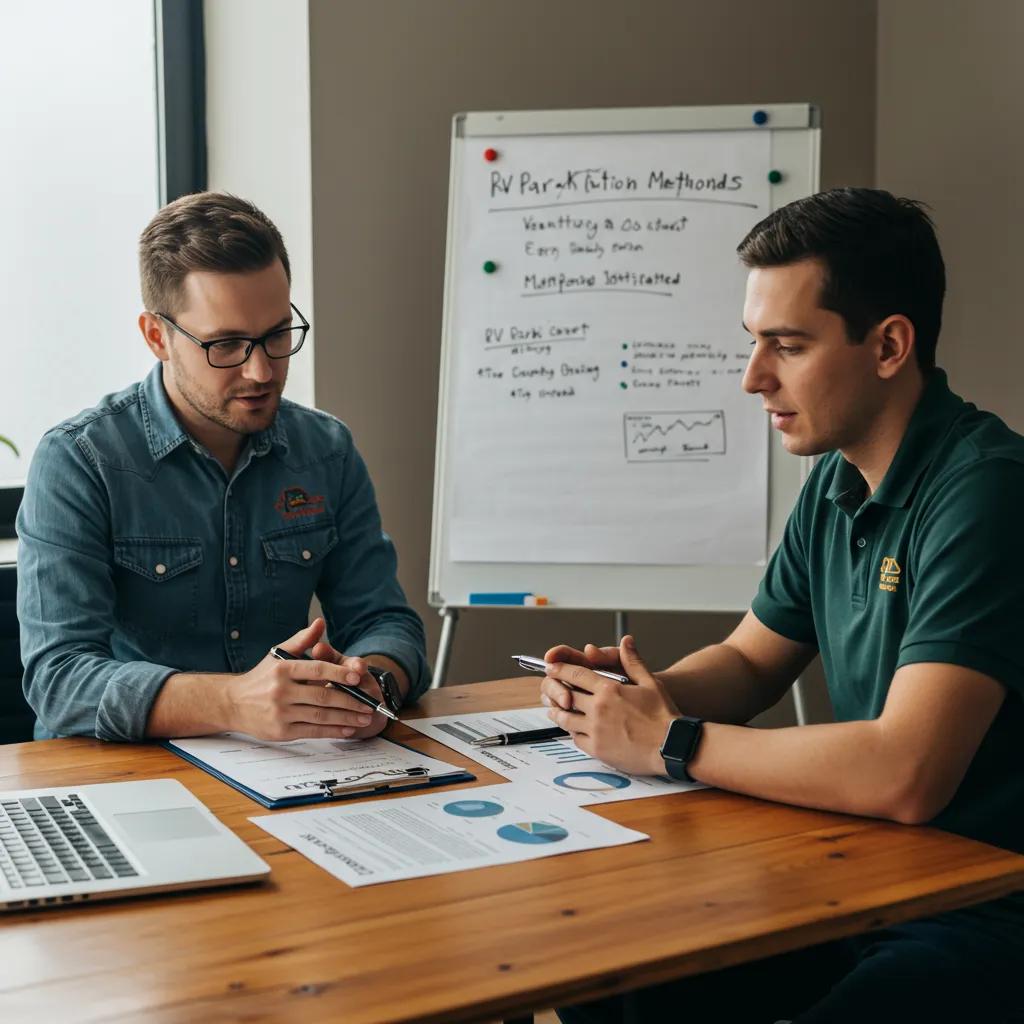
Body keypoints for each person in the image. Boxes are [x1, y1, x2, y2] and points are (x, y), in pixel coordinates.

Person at [541, 188, 1024, 1023]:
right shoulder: (837, 479)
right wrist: (634, 694)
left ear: (889, 346)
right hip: (868, 872)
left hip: (986, 903)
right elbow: (750, 662)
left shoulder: (987, 493)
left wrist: (670, 741)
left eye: (787, 346)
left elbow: (906, 772)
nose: (752, 376)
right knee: (609, 982)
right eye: (752, 342)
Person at [17, 191, 428, 743]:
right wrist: (234, 702)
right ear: (157, 336)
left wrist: (373, 681)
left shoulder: (326, 450)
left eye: (278, 334)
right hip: (125, 774)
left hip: (292, 768)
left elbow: (386, 621)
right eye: (227, 344)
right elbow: (59, 679)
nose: (261, 370)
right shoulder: (80, 460)